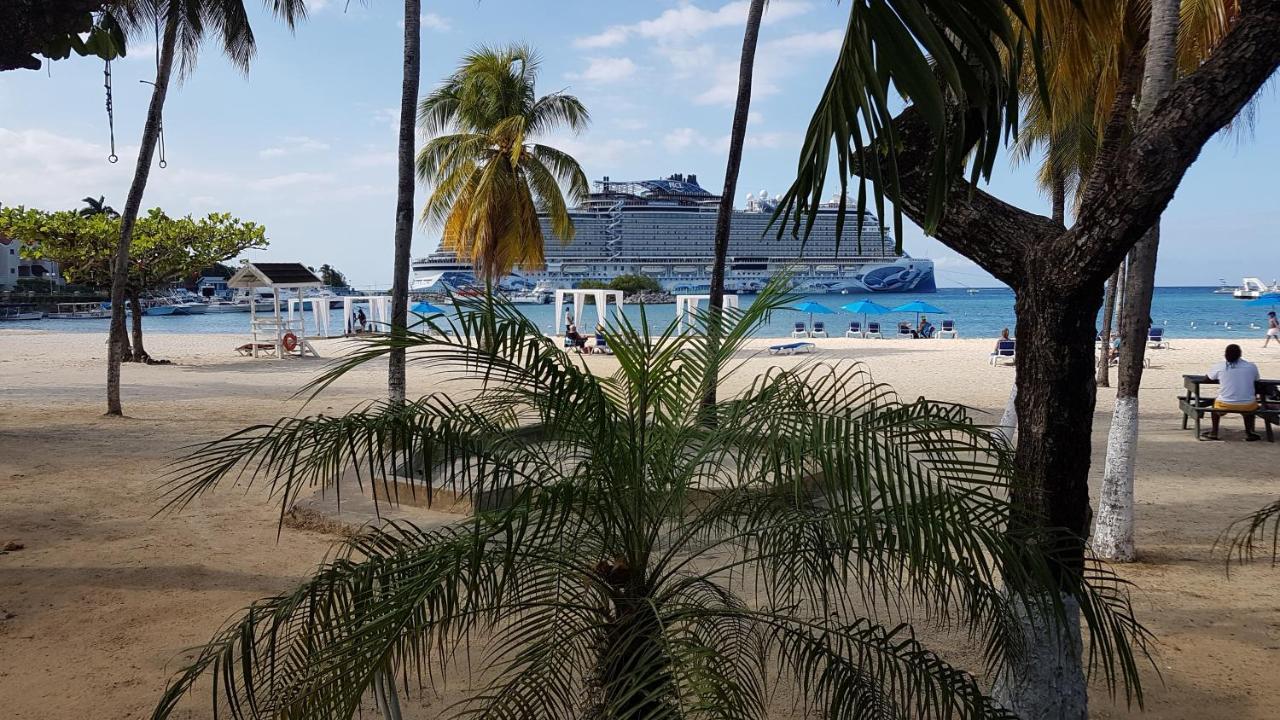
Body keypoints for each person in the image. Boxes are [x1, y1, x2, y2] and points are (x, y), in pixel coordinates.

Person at [1203, 343, 1262, 441]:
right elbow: (1256, 380)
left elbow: (1206, 379)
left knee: (1215, 407)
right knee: (1247, 405)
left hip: (1225, 404)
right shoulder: (1251, 366)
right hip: (1248, 405)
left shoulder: (1220, 366)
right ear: (1240, 354)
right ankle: (1249, 433)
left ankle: (1214, 433)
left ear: (1225, 354)